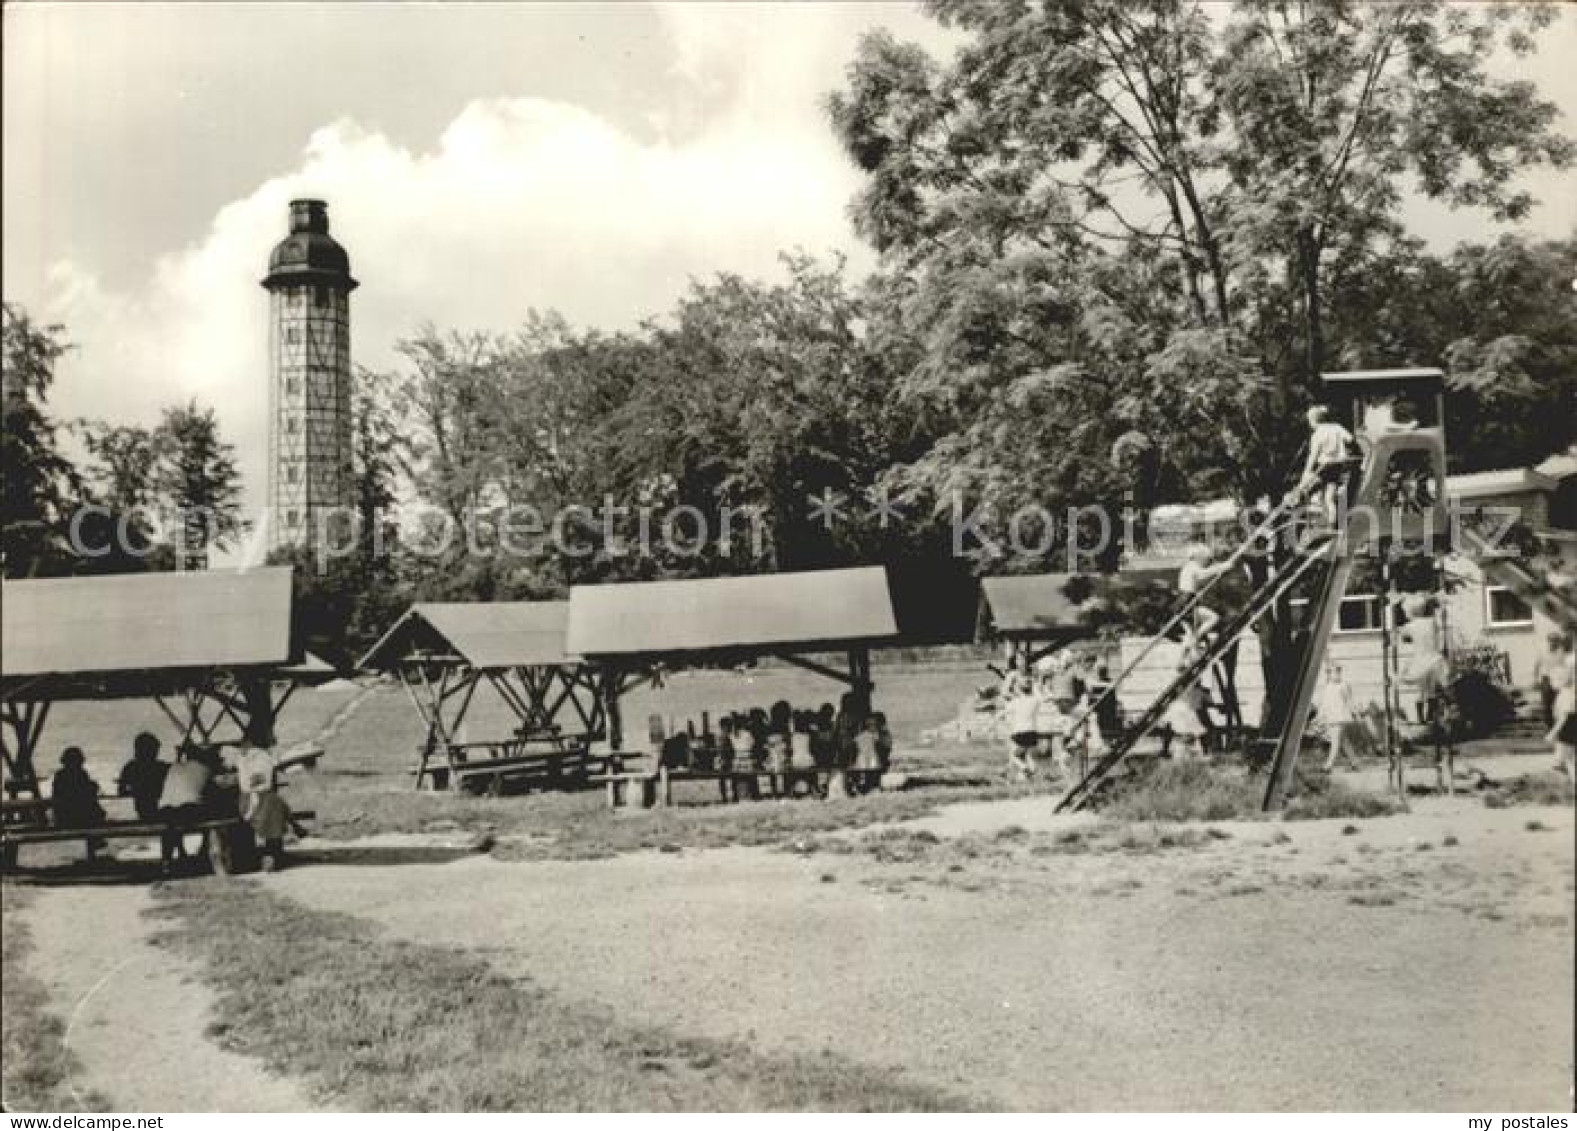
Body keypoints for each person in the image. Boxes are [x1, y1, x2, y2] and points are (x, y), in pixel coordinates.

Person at [157, 743, 217, 875]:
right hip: (187, 810)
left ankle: (167, 859)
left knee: (172, 822)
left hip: (164, 811)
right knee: (211, 812)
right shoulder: (204, 769)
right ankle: (204, 850)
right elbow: (213, 792)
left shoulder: (174, 767)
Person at [1298, 405, 1356, 524]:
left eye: (1309, 422)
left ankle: (1311, 514)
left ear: (1313, 421)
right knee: (1329, 497)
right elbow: (1350, 439)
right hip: (1338, 466)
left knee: (1305, 489)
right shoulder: (1337, 427)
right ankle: (1332, 524)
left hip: (1324, 467)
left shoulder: (1317, 434)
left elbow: (1313, 455)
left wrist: (1307, 472)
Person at [51, 748, 107, 859]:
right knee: (93, 813)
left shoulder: (61, 775)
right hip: (70, 816)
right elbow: (82, 793)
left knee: (92, 812)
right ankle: (95, 843)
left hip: (66, 816)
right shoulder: (74, 775)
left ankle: (94, 845)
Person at [116, 731, 168, 820]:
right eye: (154, 750)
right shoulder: (160, 767)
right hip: (150, 808)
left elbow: (121, 791)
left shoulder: (130, 767)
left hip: (148, 807)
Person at [1317, 662, 1358, 772]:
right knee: (1344, 741)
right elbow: (1325, 703)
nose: (1336, 674)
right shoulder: (1328, 687)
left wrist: (1355, 712)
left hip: (1340, 717)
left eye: (1338, 672)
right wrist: (1320, 716)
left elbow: (1349, 701)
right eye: (1333, 672)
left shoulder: (1344, 685)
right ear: (1329, 674)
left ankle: (1328, 766)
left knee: (1335, 742)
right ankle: (1355, 762)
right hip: (1331, 717)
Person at [1533, 632, 1573, 729]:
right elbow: (1537, 666)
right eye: (1551, 640)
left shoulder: (1562, 652)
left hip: (1558, 680)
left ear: (1558, 642)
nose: (1553, 643)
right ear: (1548, 641)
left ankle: (1559, 726)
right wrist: (1536, 679)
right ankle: (1549, 726)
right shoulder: (1542, 651)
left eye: (1555, 641)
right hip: (1546, 680)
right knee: (1546, 705)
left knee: (1558, 703)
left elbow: (1566, 667)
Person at [1004, 674, 1040, 780]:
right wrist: (1034, 684)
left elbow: (1003, 713)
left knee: (1014, 756)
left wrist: (991, 725)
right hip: (1033, 731)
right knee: (1027, 754)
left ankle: (1025, 769)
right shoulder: (1036, 700)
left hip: (1019, 732)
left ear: (1019, 689)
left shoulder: (1016, 701)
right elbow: (1038, 694)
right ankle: (1031, 771)